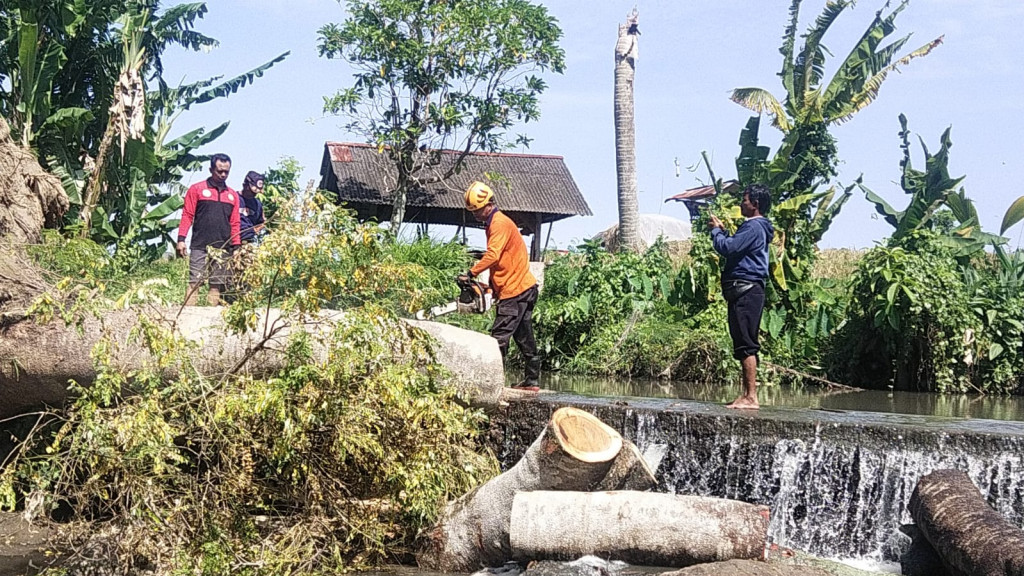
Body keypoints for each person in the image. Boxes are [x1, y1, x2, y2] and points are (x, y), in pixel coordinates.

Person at [460, 181, 542, 391]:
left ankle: (491, 384)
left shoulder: (498, 223)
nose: (476, 215)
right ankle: (532, 381)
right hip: (522, 288)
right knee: (524, 335)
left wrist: (471, 273)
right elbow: (501, 261)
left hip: (515, 290)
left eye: (477, 210)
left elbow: (493, 255)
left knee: (499, 338)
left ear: (488, 204)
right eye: (473, 212)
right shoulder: (496, 224)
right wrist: (490, 287)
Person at [709, 183, 774, 410]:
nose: (740, 203)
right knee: (743, 343)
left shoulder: (753, 227)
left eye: (744, 200)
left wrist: (717, 232)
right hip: (746, 290)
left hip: (746, 290)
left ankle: (750, 397)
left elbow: (728, 249)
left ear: (755, 204)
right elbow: (736, 247)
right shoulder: (755, 228)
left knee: (746, 343)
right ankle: (747, 394)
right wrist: (725, 233)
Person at [176, 153, 240, 306]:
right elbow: (187, 215)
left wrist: (236, 247)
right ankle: (186, 315)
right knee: (194, 281)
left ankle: (210, 318)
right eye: (220, 171)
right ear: (211, 169)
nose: (223, 174)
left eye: (226, 171)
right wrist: (181, 239)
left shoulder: (232, 195)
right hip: (200, 244)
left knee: (216, 284)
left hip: (222, 247)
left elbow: (235, 222)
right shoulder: (197, 189)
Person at [239, 171, 266, 243]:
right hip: (230, 241)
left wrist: (255, 230)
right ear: (245, 185)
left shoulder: (257, 204)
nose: (253, 194)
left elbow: (262, 222)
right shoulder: (233, 198)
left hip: (248, 243)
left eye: (256, 192)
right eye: (252, 191)